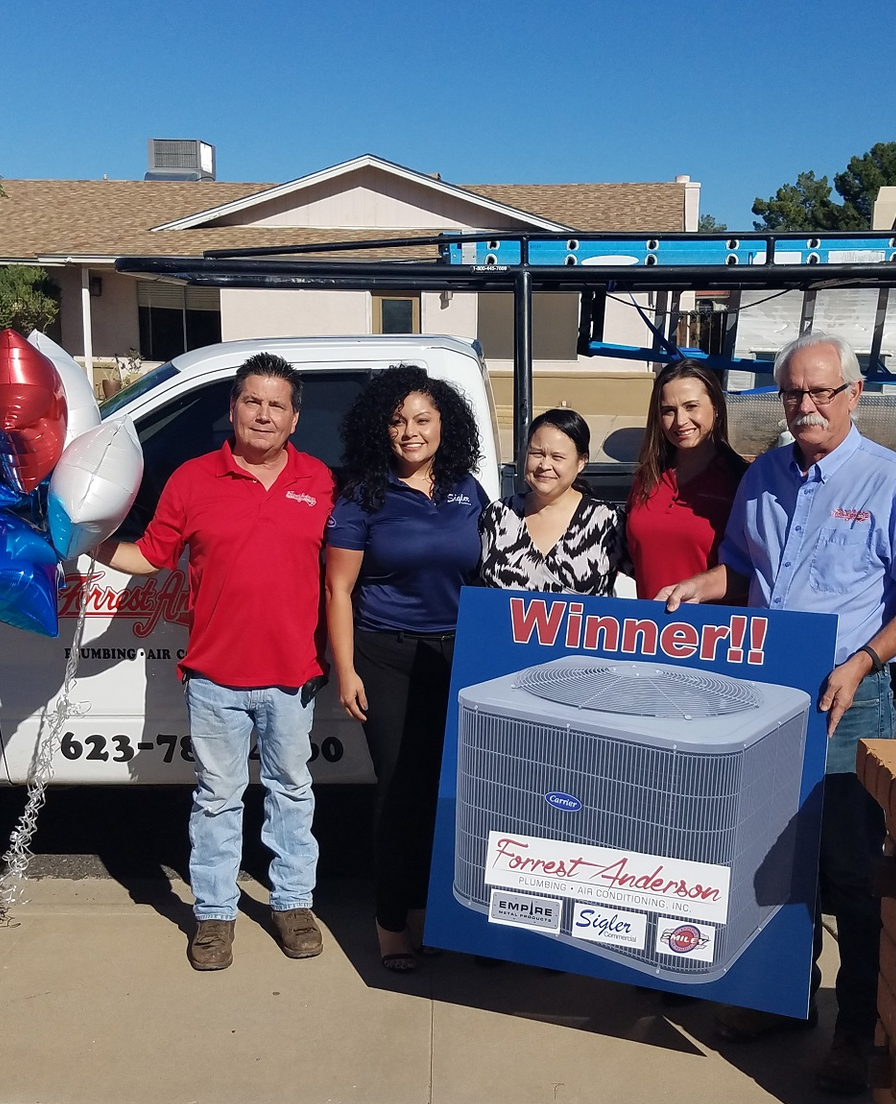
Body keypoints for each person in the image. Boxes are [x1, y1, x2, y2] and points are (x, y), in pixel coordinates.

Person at [658, 329, 896, 1092]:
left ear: (854, 395)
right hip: (767, 697)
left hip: (843, 703)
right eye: (794, 392)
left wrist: (863, 662)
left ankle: (857, 1029)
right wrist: (702, 587)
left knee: (852, 875)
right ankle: (783, 1001)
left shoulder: (891, 483)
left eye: (823, 391)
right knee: (771, 859)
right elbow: (743, 567)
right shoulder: (764, 478)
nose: (807, 405)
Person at [93, 353, 332, 973]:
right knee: (217, 799)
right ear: (232, 408)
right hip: (214, 677)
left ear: (294, 418)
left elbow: (346, 572)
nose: (263, 414)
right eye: (252, 401)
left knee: (292, 793)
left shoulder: (320, 481)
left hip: (292, 674)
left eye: (277, 404)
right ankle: (215, 916)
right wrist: (81, 537)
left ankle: (293, 904)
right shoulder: (192, 479)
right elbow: (150, 556)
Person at [324, 366, 488, 974]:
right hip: (385, 655)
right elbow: (337, 591)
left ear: (445, 423)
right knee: (399, 790)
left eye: (422, 419)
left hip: (457, 656)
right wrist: (346, 670)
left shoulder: (465, 489)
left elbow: (490, 569)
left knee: (448, 791)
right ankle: (392, 922)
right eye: (396, 420)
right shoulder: (363, 496)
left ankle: (430, 913)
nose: (410, 432)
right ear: (379, 428)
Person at [625, 359, 747, 599]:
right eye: (668, 411)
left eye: (691, 406)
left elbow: (758, 573)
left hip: (713, 632)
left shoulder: (742, 481)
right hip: (648, 629)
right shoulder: (646, 478)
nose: (680, 421)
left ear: (716, 407)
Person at [478, 408, 626, 595]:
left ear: (581, 462)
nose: (544, 465)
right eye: (537, 454)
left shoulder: (609, 522)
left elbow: (655, 573)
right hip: (502, 624)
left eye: (557, 457)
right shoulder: (497, 514)